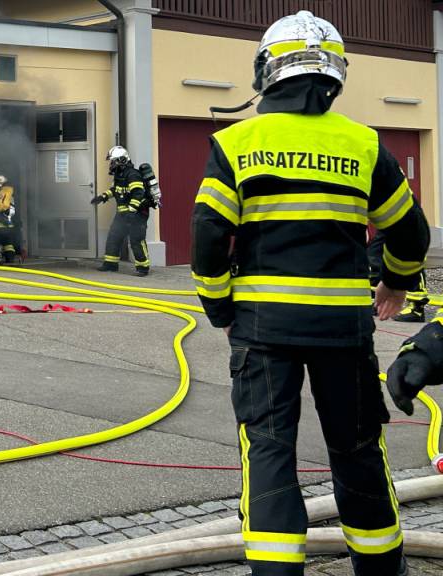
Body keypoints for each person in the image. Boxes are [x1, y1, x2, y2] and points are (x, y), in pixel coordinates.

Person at [190, 11, 429, 576]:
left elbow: (206, 236)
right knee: (357, 449)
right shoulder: (364, 145)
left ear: (267, 73)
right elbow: (411, 234)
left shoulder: (237, 143)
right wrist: (394, 281)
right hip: (344, 330)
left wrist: (221, 306)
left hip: (263, 329)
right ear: (334, 75)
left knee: (269, 450)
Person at [93, 146, 150, 276]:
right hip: (123, 214)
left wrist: (131, 211)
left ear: (122, 160)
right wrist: (103, 196)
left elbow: (138, 194)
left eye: (113, 161)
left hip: (137, 214)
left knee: (136, 240)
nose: (111, 164)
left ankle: (143, 267)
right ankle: (110, 264)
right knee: (114, 236)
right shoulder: (120, 175)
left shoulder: (133, 175)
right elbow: (115, 190)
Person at [370, 230, 429, 322]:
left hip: (404, 220)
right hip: (385, 221)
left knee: (411, 254)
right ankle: (376, 302)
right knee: (375, 252)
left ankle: (417, 309)